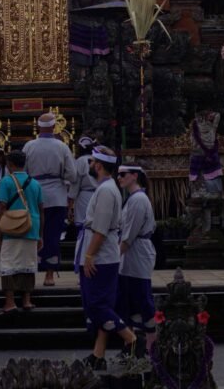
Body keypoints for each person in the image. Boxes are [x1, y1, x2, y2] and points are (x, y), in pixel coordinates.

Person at [76, 146, 138, 371]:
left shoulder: (105, 191)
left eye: (92, 162)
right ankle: (98, 354)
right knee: (100, 304)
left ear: (99, 165)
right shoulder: (106, 188)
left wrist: (90, 254)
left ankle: (131, 339)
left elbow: (101, 228)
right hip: (102, 252)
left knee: (96, 305)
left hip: (100, 255)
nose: (90, 165)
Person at [23, 112, 77, 287]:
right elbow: (72, 174)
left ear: (38, 127)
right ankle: (49, 275)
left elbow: (21, 170)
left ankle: (30, 272)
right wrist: (62, 179)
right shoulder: (61, 147)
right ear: (54, 127)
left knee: (32, 234)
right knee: (53, 234)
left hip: (34, 193)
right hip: (56, 195)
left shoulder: (29, 146)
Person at [0, 149, 43, 316]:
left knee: (8, 263)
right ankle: (27, 299)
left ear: (10, 164)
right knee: (28, 263)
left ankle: (10, 301)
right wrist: (40, 234)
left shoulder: (6, 181)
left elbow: (1, 206)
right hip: (32, 226)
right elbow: (40, 208)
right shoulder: (35, 183)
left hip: (12, 227)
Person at [117, 164, 156, 354]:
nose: (119, 178)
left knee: (142, 297)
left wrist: (116, 255)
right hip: (131, 254)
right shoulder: (132, 199)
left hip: (137, 252)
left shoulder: (138, 200)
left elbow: (129, 234)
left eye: (123, 174)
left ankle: (151, 345)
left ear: (134, 176)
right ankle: (132, 345)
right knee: (129, 299)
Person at [68, 135, 97, 240]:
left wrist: (70, 202)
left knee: (83, 224)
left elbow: (75, 183)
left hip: (84, 196)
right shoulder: (97, 159)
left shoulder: (80, 161)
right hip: (99, 194)